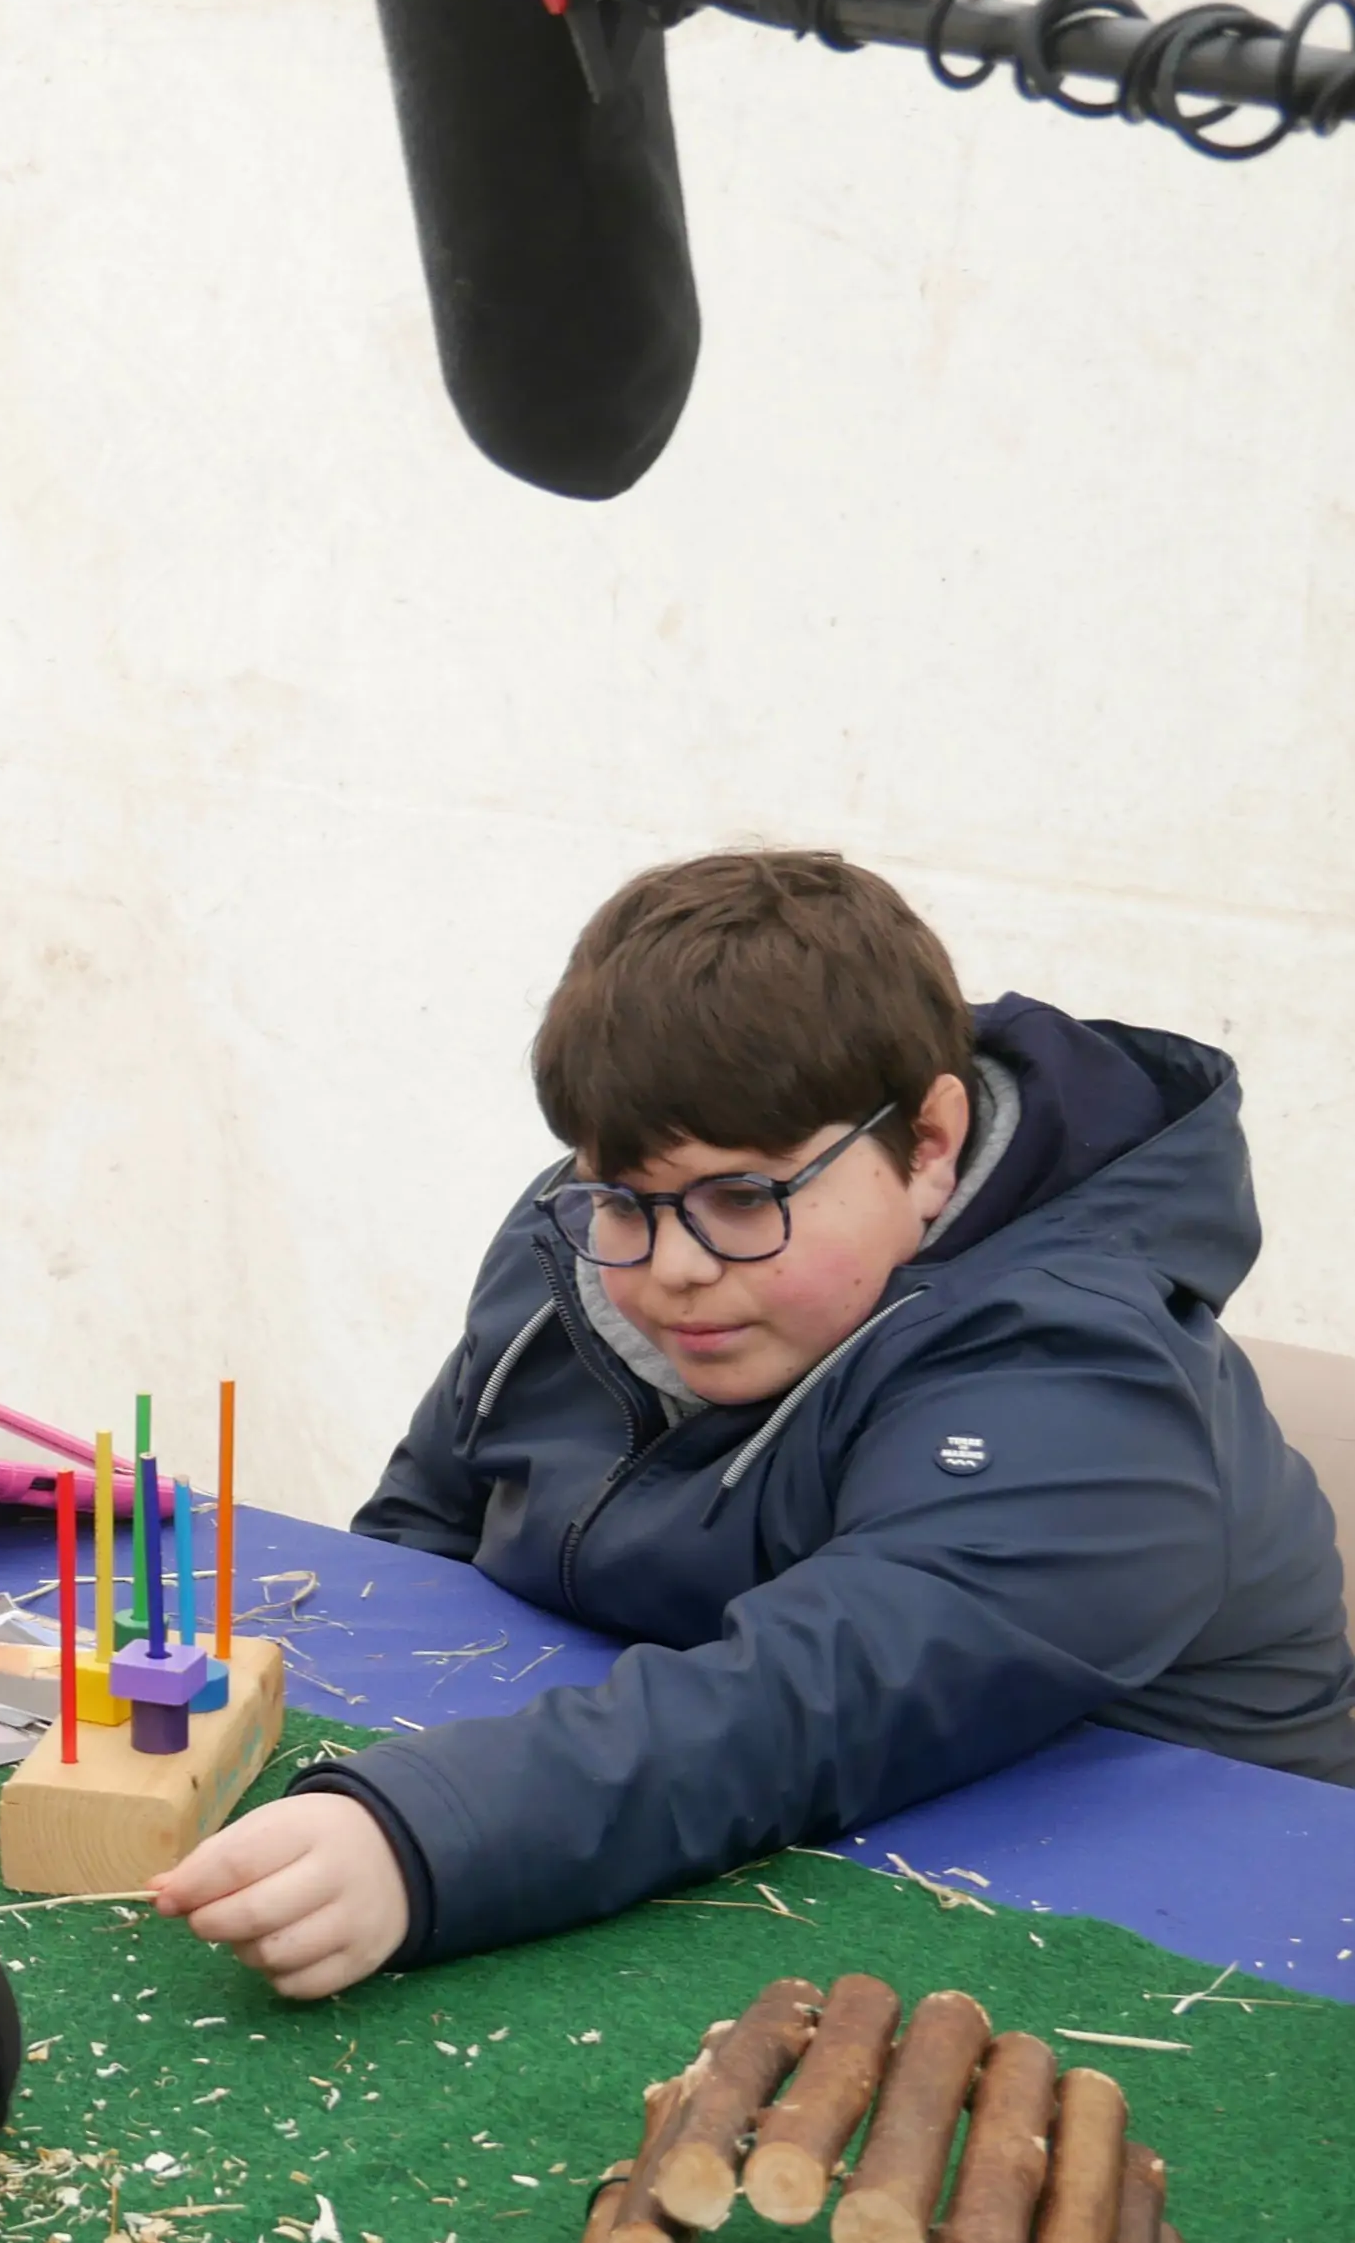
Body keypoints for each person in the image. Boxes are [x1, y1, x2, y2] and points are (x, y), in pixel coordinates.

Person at [153, 850, 1355, 1997]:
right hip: (729, 1830)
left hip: (1167, 1939)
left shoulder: (1084, 1372)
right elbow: (418, 1535)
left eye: (743, 1197)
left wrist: (422, 1833)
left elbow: (811, 1701)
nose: (671, 1265)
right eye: (622, 1197)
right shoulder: (582, 1229)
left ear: (926, 1145)